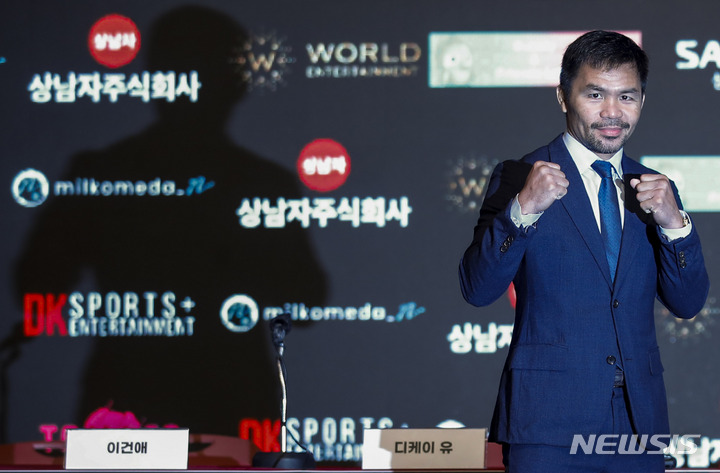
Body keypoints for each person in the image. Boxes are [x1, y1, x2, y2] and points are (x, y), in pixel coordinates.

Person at [459, 30, 709, 473]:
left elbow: (688, 303)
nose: (612, 112)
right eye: (595, 95)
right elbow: (478, 288)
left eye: (626, 97)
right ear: (563, 96)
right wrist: (523, 210)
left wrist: (675, 224)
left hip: (638, 423)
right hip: (547, 422)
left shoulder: (655, 189)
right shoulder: (520, 177)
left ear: (642, 101)